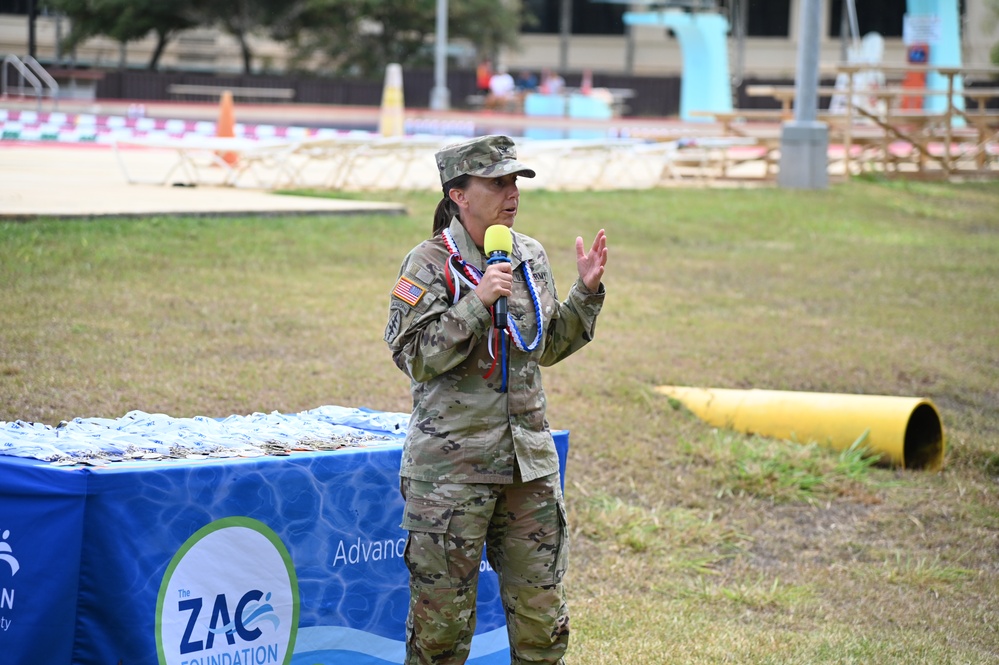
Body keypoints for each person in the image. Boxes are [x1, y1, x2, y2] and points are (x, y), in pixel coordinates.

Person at [384, 135, 608, 665]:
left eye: (515, 182)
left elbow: (546, 345)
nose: (512, 193)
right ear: (458, 194)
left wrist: (586, 294)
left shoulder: (527, 255)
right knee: (440, 632)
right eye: (497, 182)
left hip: (526, 468)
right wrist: (477, 303)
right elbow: (413, 355)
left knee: (542, 623)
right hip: (451, 474)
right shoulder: (428, 263)